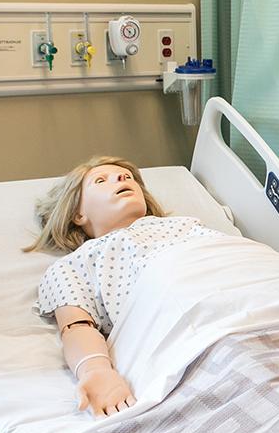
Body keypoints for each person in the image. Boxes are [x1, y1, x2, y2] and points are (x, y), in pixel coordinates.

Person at [26, 156, 219, 417]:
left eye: (127, 177)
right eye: (101, 180)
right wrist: (96, 370)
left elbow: (234, 259)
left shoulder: (187, 225)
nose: (121, 178)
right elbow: (76, 327)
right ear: (77, 213)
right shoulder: (74, 264)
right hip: (194, 331)